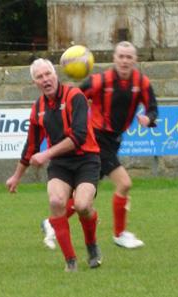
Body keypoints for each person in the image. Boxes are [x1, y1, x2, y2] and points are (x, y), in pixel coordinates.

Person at [41, 41, 158, 249]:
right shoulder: (100, 81)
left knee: (83, 200)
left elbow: (152, 108)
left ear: (135, 60)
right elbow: (73, 97)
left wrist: (148, 119)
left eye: (128, 57)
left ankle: (51, 223)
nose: (124, 60)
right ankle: (119, 234)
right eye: (120, 56)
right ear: (114, 59)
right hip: (95, 139)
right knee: (124, 183)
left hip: (113, 142)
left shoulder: (142, 83)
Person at [6, 58, 102, 272]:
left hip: (87, 159)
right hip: (60, 164)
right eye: (39, 77)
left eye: (48, 74)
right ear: (35, 83)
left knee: (83, 206)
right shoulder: (38, 107)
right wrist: (16, 176)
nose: (45, 79)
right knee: (57, 201)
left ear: (56, 74)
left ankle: (92, 245)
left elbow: (78, 136)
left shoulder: (75, 96)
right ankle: (70, 262)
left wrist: (47, 153)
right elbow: (30, 145)